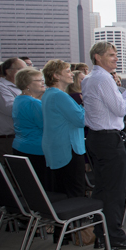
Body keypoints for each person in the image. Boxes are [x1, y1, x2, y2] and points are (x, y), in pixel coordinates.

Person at [82, 42, 126, 250]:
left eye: (116, 55)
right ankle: (115, 236)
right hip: (108, 141)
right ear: (98, 57)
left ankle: (102, 233)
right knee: (115, 190)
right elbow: (120, 109)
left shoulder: (90, 78)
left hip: (96, 138)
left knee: (102, 188)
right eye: (111, 55)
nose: (116, 58)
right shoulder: (102, 79)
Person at [41, 60, 87, 204]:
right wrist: (86, 105)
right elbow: (81, 119)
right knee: (75, 190)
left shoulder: (49, 94)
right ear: (56, 76)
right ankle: (78, 224)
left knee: (62, 190)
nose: (71, 74)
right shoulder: (59, 95)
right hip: (68, 148)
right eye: (67, 71)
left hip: (58, 147)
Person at [12, 67, 52, 191]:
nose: (42, 83)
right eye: (39, 80)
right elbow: (48, 127)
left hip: (20, 146)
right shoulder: (34, 103)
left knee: (29, 187)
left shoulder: (18, 99)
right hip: (36, 150)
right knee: (43, 189)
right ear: (27, 84)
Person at [0, 57, 25, 158]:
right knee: (11, 170)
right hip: (7, 139)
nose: (25, 72)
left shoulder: (18, 87)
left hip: (18, 137)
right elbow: (12, 110)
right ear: (8, 71)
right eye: (21, 69)